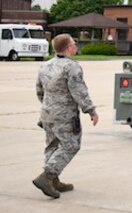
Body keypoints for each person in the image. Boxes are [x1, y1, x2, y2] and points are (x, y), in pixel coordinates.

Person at [32, 34, 99, 199]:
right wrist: (90, 110)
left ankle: (53, 181)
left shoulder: (45, 66)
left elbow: (40, 91)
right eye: (74, 44)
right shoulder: (71, 67)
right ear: (68, 48)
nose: (76, 47)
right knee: (71, 145)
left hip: (47, 113)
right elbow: (79, 91)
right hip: (65, 115)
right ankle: (47, 176)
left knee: (52, 146)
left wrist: (48, 106)